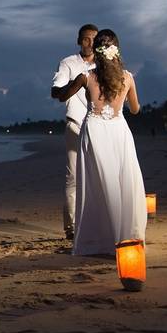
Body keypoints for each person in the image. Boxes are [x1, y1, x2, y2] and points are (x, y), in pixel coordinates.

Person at [70, 29, 147, 256]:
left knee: (96, 185)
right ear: (117, 49)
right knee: (122, 181)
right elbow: (135, 110)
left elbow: (62, 95)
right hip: (118, 131)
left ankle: (99, 240)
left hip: (94, 130)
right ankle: (123, 236)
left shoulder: (87, 76)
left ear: (96, 50)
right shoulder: (128, 77)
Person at [50, 24, 98, 240]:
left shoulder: (105, 65)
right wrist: (78, 83)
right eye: (86, 39)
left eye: (94, 39)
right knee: (74, 177)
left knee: (99, 176)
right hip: (76, 123)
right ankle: (71, 227)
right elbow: (55, 92)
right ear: (79, 40)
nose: (90, 43)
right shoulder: (68, 63)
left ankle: (97, 223)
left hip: (99, 125)